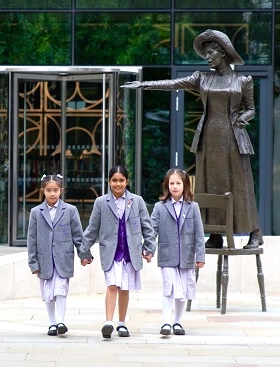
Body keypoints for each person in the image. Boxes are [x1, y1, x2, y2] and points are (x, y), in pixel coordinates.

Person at [122, 29, 263, 250]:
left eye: (210, 53)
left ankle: (255, 232)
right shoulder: (202, 77)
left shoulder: (242, 80)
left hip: (234, 138)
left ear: (223, 53)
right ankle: (215, 233)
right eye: (205, 53)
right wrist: (144, 85)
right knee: (210, 185)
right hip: (208, 137)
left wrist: (244, 117)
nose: (206, 57)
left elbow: (251, 109)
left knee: (239, 184)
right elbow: (174, 83)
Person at [80, 165, 157, 339]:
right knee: (112, 285)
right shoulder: (101, 203)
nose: (118, 184)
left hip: (131, 252)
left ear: (127, 182)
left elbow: (147, 227)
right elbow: (92, 229)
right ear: (109, 182)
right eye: (114, 180)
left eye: (121, 180)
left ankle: (122, 323)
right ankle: (108, 322)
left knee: (125, 288)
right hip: (111, 252)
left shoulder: (137, 201)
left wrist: (149, 248)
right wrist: (84, 252)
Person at [27, 174, 84, 336]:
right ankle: (52, 323)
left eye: (56, 190)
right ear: (42, 191)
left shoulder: (70, 210)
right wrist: (33, 262)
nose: (52, 194)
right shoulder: (36, 212)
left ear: (61, 191)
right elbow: (31, 239)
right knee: (48, 293)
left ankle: (61, 321)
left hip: (63, 258)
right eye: (49, 190)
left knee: (61, 290)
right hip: (44, 259)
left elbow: (78, 236)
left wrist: (83, 254)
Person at [151, 168, 205, 336]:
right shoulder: (159, 207)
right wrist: (148, 250)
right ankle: (166, 322)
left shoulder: (193, 207)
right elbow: (152, 231)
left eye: (178, 183)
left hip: (187, 256)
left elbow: (199, 233)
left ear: (185, 185)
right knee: (169, 288)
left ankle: (177, 322)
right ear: (167, 185)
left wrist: (200, 255)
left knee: (183, 291)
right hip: (167, 255)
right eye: (171, 183)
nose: (175, 186)